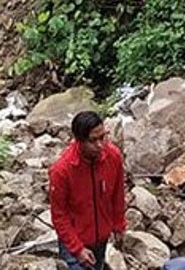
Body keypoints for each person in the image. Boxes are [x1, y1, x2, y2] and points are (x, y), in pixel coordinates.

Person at [49, 111, 127, 269]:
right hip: (74, 240)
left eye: (102, 137)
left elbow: (118, 195)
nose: (100, 145)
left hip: (101, 238)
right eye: (93, 140)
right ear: (79, 140)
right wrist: (78, 250)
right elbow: (59, 216)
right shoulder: (62, 170)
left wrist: (119, 225)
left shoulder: (113, 157)